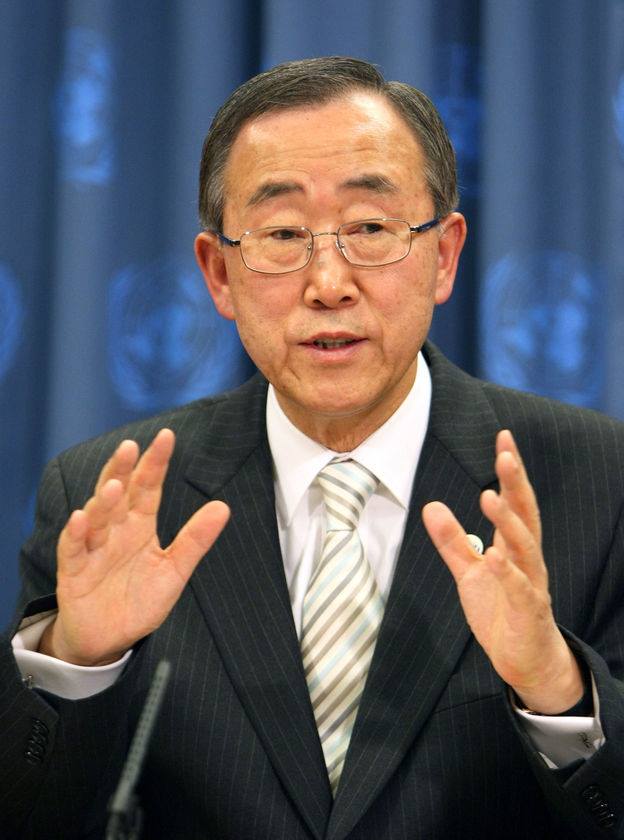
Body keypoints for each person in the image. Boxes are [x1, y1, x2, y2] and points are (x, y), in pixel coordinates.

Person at [1, 56, 623, 840]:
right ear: (218, 274)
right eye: (283, 234)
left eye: (370, 229)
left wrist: (555, 691)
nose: (329, 282)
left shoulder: (597, 484)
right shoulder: (108, 499)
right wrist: (78, 666)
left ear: (444, 255)